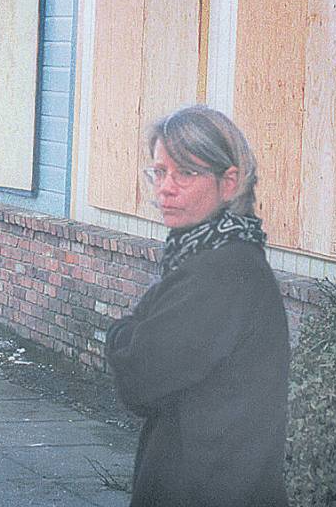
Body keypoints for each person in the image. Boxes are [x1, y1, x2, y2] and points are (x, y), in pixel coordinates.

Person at [105, 105, 290, 507]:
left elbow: (138, 378)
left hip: (207, 487)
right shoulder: (213, 256)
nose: (165, 188)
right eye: (159, 172)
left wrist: (122, 331)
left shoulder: (222, 272)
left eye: (185, 173)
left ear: (229, 182)